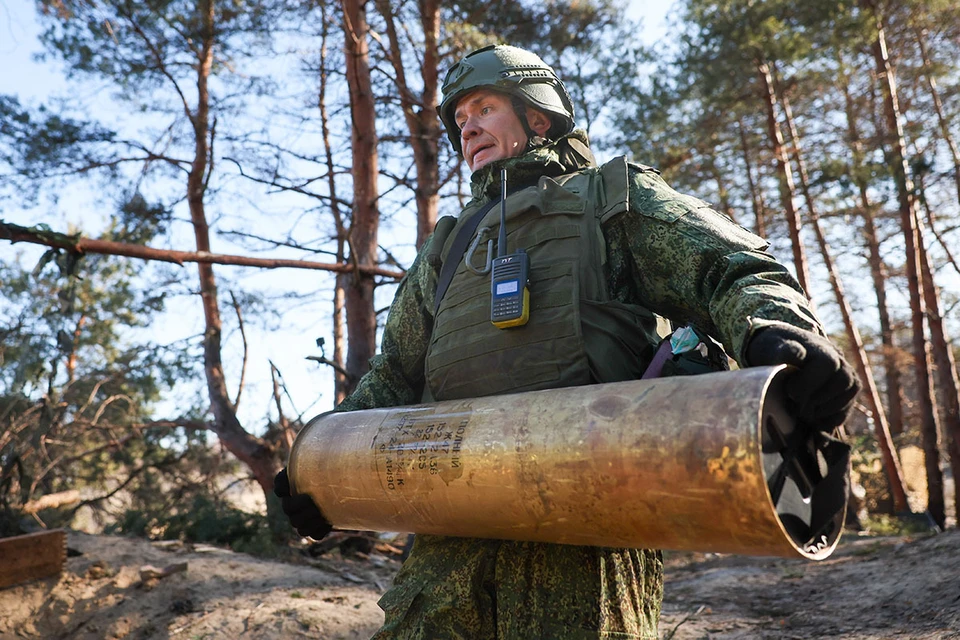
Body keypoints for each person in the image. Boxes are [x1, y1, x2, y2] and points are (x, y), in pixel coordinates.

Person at [274, 44, 860, 639]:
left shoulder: (612, 200)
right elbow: (394, 375)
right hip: (449, 555)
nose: (467, 125)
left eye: (483, 107)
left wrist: (776, 330)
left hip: (591, 544)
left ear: (539, 116)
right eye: (459, 120)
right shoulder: (447, 248)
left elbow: (731, 269)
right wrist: (318, 466)